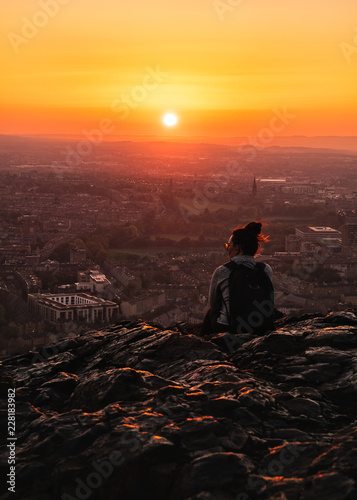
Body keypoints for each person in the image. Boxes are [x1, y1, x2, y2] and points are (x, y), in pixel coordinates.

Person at [201, 221, 274, 335]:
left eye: (228, 246)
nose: (227, 249)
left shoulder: (222, 271)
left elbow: (214, 305)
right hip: (261, 327)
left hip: (230, 328)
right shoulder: (265, 270)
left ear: (236, 248)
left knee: (210, 313)